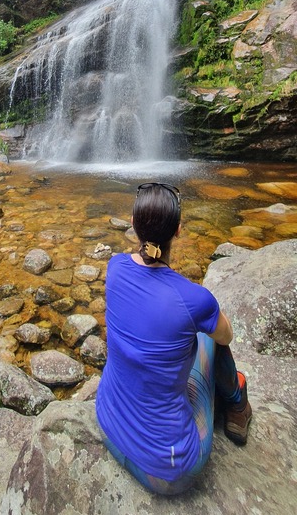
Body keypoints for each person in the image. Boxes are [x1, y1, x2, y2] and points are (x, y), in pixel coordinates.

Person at [96, 181, 252, 496]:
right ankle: (237, 408)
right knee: (210, 338)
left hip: (108, 427)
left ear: (132, 225)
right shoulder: (195, 299)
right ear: (178, 231)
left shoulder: (114, 268)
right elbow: (228, 335)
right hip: (167, 470)